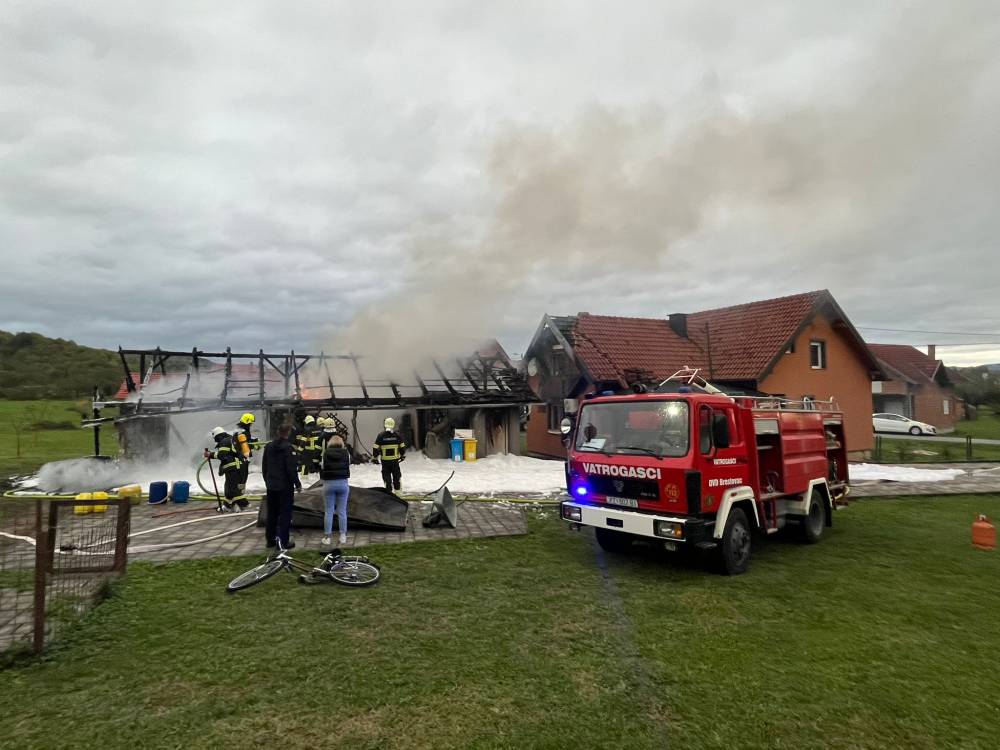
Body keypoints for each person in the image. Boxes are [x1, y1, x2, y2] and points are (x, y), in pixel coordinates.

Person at [261, 423, 302, 550]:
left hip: (271, 485)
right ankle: (283, 541)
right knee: (285, 514)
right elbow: (291, 469)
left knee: (272, 512)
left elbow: (264, 466)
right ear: (288, 433)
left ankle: (270, 539)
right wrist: (297, 483)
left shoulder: (268, 447)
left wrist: (267, 481)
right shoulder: (288, 448)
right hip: (284, 487)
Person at [204, 426, 249, 511]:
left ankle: (244, 504)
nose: (215, 440)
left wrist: (210, 454)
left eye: (215, 438)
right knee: (228, 489)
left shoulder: (224, 441)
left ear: (218, 436)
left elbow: (222, 455)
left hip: (234, 469)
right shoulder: (229, 439)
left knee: (232, 490)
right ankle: (227, 506)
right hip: (235, 468)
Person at [320, 433, 351, 547]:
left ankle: (327, 537)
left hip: (329, 484)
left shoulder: (325, 453)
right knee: (342, 511)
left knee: (329, 511)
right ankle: (343, 536)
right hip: (343, 484)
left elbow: (322, 466)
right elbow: (348, 464)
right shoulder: (346, 453)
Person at [373, 417, 406, 493]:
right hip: (395, 461)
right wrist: (402, 455)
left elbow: (375, 448)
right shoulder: (397, 435)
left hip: (385, 462)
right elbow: (402, 447)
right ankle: (398, 494)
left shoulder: (380, 436)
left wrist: (375, 457)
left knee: (386, 477)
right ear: (393, 425)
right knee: (396, 477)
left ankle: (389, 493)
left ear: (385, 425)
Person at [233, 412, 259, 502]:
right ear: (247, 422)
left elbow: (247, 441)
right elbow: (243, 445)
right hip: (241, 457)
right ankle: (239, 496)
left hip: (242, 457)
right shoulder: (242, 432)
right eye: (250, 423)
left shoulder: (242, 430)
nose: (251, 425)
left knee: (242, 477)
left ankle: (239, 495)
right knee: (242, 477)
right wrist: (255, 446)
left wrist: (254, 440)